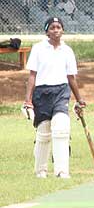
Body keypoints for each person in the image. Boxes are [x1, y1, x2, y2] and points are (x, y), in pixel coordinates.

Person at [22, 17, 86, 179]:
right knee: (44, 132)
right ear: (46, 31)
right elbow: (32, 76)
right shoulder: (38, 49)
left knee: (61, 128)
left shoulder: (67, 50)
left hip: (61, 91)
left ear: (62, 30)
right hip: (42, 93)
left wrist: (79, 99)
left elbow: (71, 77)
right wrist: (28, 100)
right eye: (52, 27)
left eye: (59, 27)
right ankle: (41, 170)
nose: (56, 30)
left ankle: (62, 170)